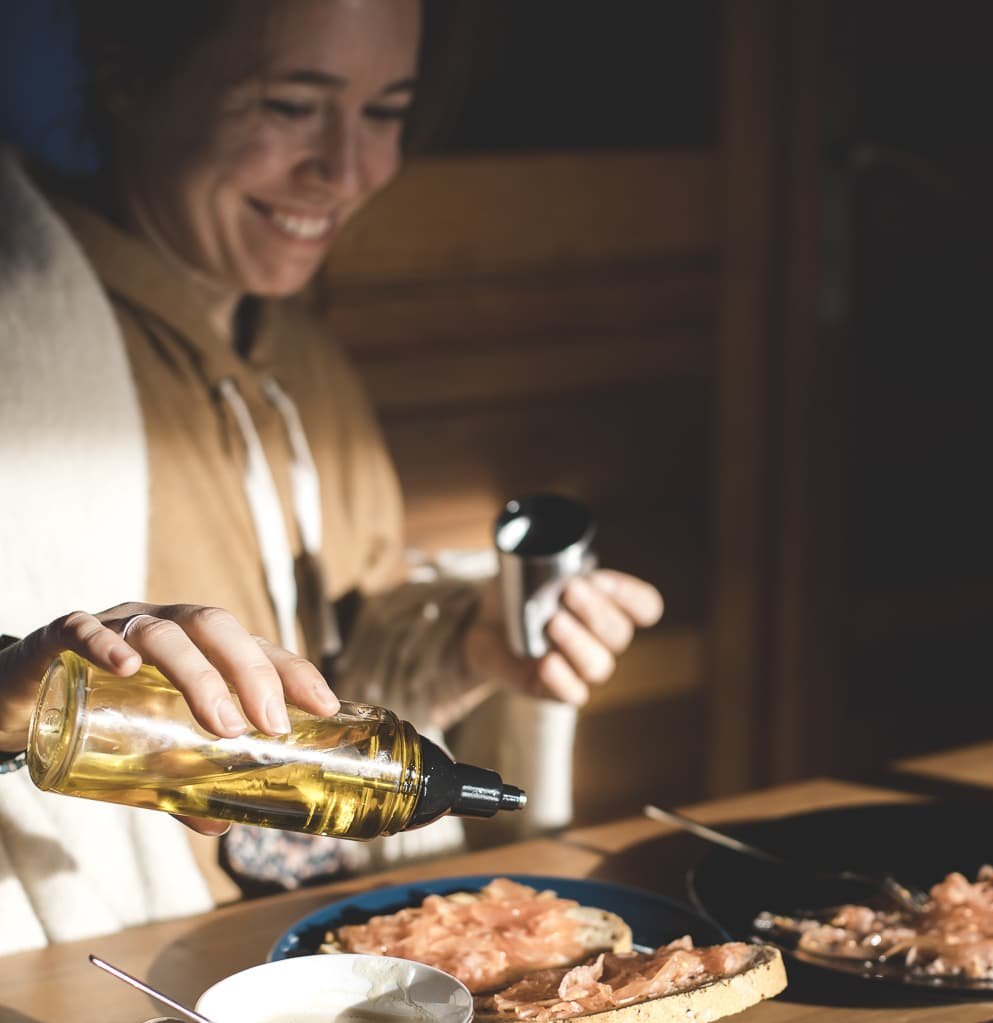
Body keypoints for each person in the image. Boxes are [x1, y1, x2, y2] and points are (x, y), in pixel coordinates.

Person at [0, 0, 663, 950]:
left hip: (306, 960)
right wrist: (10, 697)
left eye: (387, 112)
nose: (349, 169)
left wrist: (468, 643)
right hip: (100, 983)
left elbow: (339, 661)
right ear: (127, 75)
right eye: (289, 104)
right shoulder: (20, 350)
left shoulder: (302, 361)